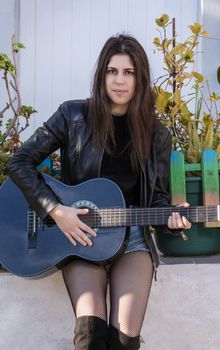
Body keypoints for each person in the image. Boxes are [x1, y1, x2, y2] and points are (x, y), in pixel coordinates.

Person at [6, 34, 191, 349]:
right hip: (77, 236)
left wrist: (173, 218)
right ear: (101, 75)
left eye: (128, 72)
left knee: (124, 337)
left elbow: (156, 200)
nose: (119, 80)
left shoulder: (157, 135)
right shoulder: (73, 115)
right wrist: (55, 210)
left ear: (140, 79)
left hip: (131, 237)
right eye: (112, 71)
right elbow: (19, 162)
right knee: (90, 336)